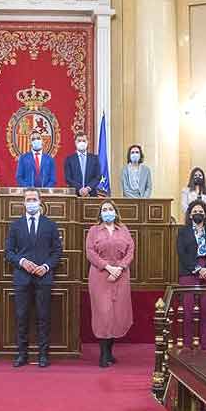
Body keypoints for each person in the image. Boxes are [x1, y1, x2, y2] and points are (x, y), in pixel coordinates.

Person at [5, 188, 63, 367]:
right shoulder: (15, 225)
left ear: (40, 201)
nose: (31, 202)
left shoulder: (50, 225)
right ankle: (22, 354)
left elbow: (57, 252)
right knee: (21, 316)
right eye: (28, 199)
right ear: (23, 202)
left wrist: (45, 266)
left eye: (34, 199)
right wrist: (22, 262)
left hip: (43, 277)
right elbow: (8, 252)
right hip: (22, 277)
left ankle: (43, 355)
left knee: (43, 316)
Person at [86, 201, 135, 368]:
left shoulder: (124, 229)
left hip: (121, 275)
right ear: (100, 214)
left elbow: (130, 250)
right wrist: (107, 267)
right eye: (104, 210)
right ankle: (103, 353)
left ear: (116, 212)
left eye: (110, 209)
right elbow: (90, 252)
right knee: (103, 313)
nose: (108, 212)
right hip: (100, 275)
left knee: (116, 313)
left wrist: (120, 268)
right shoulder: (93, 230)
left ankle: (110, 352)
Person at [177, 199, 206, 349]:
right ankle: (188, 344)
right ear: (190, 215)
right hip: (189, 272)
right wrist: (197, 269)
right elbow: (182, 254)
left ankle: (205, 345)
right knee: (188, 311)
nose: (198, 214)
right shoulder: (183, 232)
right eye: (195, 212)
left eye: (201, 211)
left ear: (205, 214)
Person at [63, 131, 102, 196]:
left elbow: (98, 177)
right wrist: (80, 188)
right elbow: (68, 178)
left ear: (87, 142)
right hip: (74, 195)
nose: (82, 143)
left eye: (84, 141)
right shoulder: (69, 159)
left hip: (91, 194)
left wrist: (88, 188)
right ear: (75, 142)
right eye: (79, 141)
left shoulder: (94, 159)